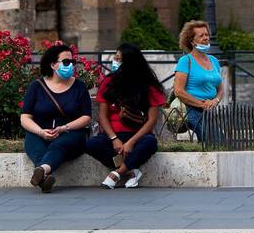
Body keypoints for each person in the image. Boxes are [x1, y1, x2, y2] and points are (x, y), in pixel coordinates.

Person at [85, 44, 166, 187]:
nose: (115, 62)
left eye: (118, 59)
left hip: (138, 135)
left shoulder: (148, 85)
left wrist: (132, 142)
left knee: (150, 143)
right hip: (112, 135)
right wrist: (114, 139)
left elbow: (152, 119)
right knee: (91, 144)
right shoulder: (109, 82)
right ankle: (130, 172)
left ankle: (117, 173)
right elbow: (102, 116)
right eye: (115, 58)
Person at [19, 43, 92, 192]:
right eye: (66, 62)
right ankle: (44, 179)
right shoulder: (36, 86)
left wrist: (64, 128)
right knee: (36, 146)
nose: (70, 65)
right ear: (53, 64)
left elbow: (86, 117)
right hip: (40, 131)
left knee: (59, 145)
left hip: (70, 133)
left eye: (72, 62)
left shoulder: (79, 86)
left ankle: (42, 169)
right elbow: (25, 117)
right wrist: (40, 132)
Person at [173, 21, 225, 140]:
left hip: (210, 111)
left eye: (206, 35)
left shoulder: (214, 61)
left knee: (219, 143)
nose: (206, 38)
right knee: (214, 141)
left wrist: (215, 101)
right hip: (192, 110)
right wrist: (201, 104)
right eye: (201, 36)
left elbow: (221, 89)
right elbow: (178, 91)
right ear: (191, 41)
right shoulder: (186, 61)